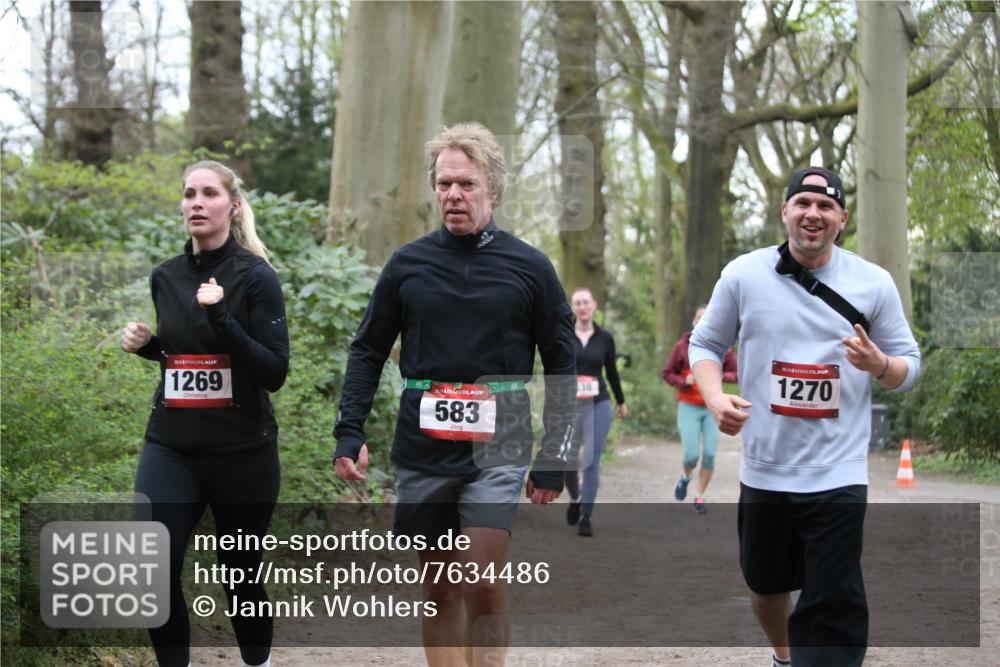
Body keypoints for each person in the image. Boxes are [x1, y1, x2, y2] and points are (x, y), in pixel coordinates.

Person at [332, 122, 576, 666]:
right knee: (441, 588)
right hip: (424, 442)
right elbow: (368, 349)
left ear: (492, 188)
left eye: (465, 184)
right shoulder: (408, 265)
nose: (453, 195)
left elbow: (562, 360)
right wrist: (350, 431)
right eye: (444, 184)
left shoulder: (530, 268)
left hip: (499, 440)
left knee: (484, 583)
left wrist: (556, 454)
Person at [689, 166, 920, 667]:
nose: (813, 214)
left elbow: (910, 368)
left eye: (826, 206)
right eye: (803, 203)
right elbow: (705, 343)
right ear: (785, 211)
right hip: (766, 468)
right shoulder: (743, 274)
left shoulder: (872, 282)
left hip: (838, 472)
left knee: (834, 599)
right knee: (767, 588)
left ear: (842, 218)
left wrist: (880, 364)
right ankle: (784, 657)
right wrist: (714, 396)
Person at [121, 160, 289, 667]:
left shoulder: (256, 278)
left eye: (209, 193)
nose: (196, 201)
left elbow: (273, 371)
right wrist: (150, 346)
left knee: (239, 570)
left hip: (243, 451)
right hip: (172, 445)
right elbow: (184, 357)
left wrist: (222, 316)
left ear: (231, 206)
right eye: (189, 193)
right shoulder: (166, 276)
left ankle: (255, 662)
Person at [661, 305, 736, 514]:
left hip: (713, 406)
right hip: (689, 406)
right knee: (691, 456)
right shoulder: (681, 347)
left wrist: (721, 376)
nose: (703, 321)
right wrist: (684, 380)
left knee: (710, 455)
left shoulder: (724, 347)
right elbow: (667, 373)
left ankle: (700, 496)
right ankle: (685, 477)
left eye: (707, 317)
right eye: (699, 317)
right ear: (693, 321)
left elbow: (736, 373)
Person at [564, 287, 626, 537]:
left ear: (594, 306)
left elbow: (611, 371)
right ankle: (576, 498)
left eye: (585, 302)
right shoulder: (564, 335)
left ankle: (586, 517)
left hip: (598, 403)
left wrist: (621, 401)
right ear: (572, 308)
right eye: (577, 303)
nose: (581, 307)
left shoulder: (605, 338)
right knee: (568, 460)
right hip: (569, 404)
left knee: (591, 459)